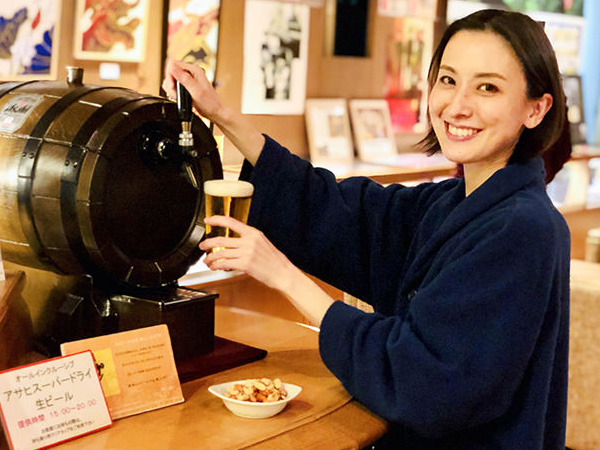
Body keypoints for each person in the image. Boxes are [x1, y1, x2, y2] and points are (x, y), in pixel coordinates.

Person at [163, 9, 570, 449]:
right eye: (448, 80)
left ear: (536, 108)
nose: (457, 105)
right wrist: (221, 113)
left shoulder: (522, 229)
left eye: (487, 87)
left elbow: (425, 383)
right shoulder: (454, 202)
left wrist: (282, 275)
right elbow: (345, 214)